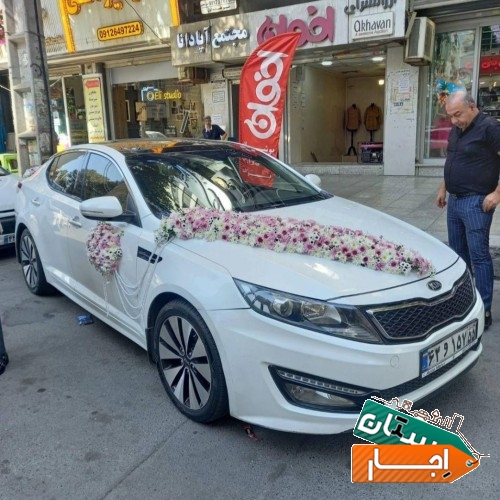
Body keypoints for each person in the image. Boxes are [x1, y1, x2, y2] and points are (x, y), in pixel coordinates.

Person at [436, 90, 500, 330]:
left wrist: (497, 193)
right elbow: (452, 159)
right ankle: (464, 303)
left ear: (472, 106)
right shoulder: (458, 129)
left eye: (458, 114)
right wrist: (443, 187)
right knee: (458, 255)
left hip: (476, 202)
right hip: (454, 201)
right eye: (450, 116)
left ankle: (484, 309)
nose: (454, 121)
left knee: (479, 256)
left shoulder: (490, 127)